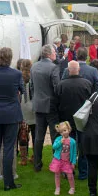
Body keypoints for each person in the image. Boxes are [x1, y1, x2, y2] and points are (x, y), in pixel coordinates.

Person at [0, 47, 24, 191]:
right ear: (10, 58)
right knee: (8, 148)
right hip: (11, 114)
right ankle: (8, 182)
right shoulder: (16, 74)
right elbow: (22, 90)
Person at [52, 61, 93, 180]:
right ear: (78, 69)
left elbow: (55, 104)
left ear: (68, 70)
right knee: (82, 146)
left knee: (67, 146)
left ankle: (67, 170)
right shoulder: (87, 84)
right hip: (82, 120)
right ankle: (83, 172)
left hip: (67, 120)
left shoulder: (61, 85)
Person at [30, 44, 60, 172]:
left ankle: (37, 164)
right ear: (48, 54)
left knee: (39, 136)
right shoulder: (53, 67)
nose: (55, 53)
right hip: (51, 105)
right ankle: (56, 163)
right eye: (54, 52)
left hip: (38, 104)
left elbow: (31, 86)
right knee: (55, 136)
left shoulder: (34, 66)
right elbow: (57, 88)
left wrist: (35, 98)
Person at [50, 121, 77, 195]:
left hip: (67, 161)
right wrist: (60, 142)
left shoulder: (73, 141)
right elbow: (54, 147)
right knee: (57, 174)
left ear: (69, 129)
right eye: (61, 132)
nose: (63, 133)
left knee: (70, 175)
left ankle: (72, 188)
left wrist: (73, 162)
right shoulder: (58, 139)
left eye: (65, 130)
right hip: (58, 160)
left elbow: (74, 153)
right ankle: (57, 188)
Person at [16, 58, 35, 166]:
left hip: (22, 107)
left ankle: (24, 158)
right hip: (33, 107)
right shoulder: (34, 77)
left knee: (23, 134)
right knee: (35, 134)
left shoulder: (18, 77)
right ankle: (35, 156)